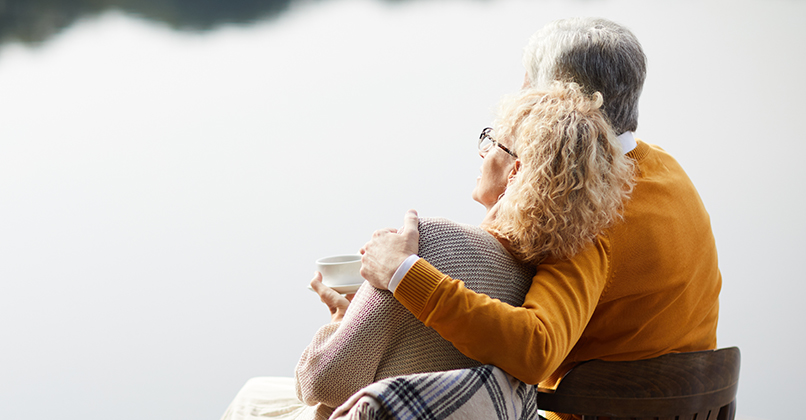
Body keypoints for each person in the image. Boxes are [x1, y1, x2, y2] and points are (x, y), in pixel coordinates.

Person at [359, 17, 722, 420]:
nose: (521, 99)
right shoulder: (666, 171)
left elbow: (535, 350)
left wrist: (402, 273)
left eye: (530, 86)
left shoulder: (587, 212)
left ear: (563, 103)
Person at [220, 81, 636, 420]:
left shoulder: (427, 244)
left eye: (493, 142)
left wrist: (338, 322)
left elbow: (321, 381)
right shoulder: (537, 275)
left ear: (516, 169)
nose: (482, 152)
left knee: (250, 397)